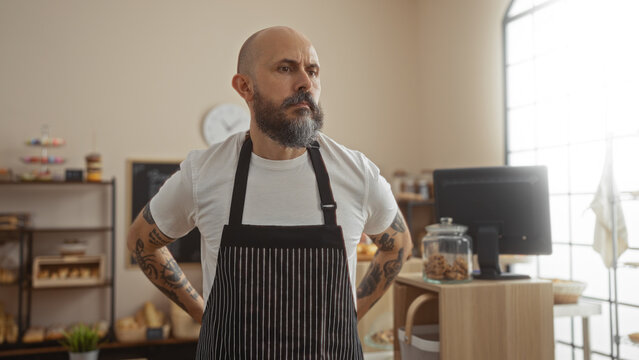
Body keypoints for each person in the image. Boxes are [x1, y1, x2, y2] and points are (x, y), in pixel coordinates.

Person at [126, 25, 412, 359]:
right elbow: (141, 241)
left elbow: (399, 245)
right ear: (245, 87)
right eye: (286, 68)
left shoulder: (356, 173)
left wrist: (353, 312)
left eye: (313, 71)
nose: (306, 82)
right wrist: (203, 313)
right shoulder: (204, 173)